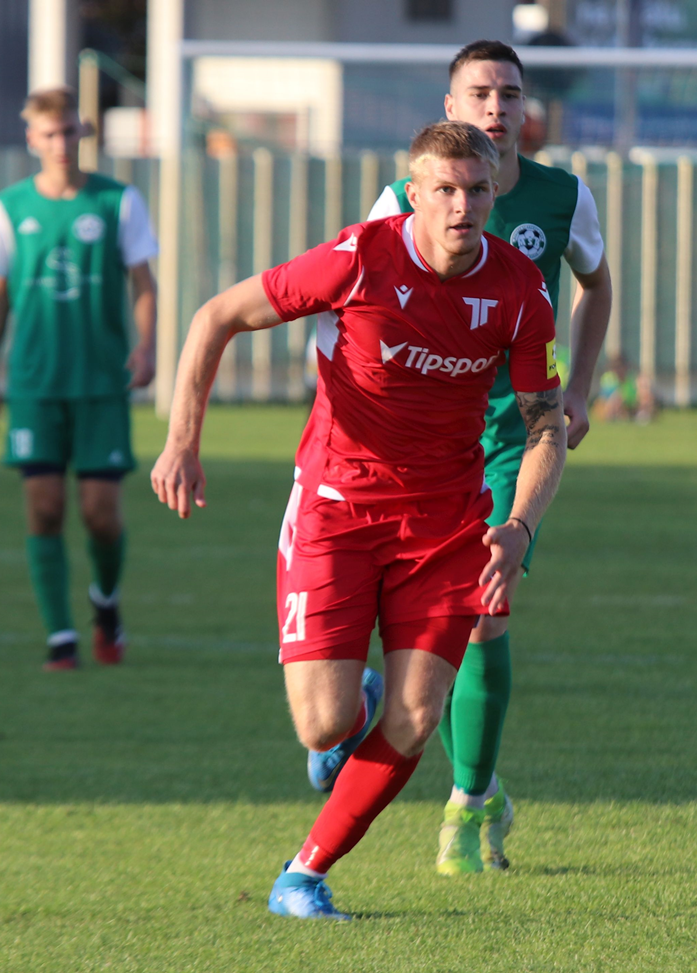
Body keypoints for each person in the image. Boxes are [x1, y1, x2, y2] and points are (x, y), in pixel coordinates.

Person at [150, 120, 567, 920]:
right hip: (336, 509)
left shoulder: (520, 289)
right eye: (445, 190)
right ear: (414, 193)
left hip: (447, 524)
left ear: (494, 193)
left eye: (478, 190)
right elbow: (216, 316)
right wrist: (181, 442)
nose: (462, 206)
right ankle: (355, 706)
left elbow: (545, 423)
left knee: (419, 715)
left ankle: (303, 874)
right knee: (324, 724)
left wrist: (517, 526)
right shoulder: (359, 258)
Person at [366, 38, 611, 875]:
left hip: (515, 439)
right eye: (480, 92)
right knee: (424, 622)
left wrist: (580, 385)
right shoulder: (401, 197)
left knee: (483, 608)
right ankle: (480, 781)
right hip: (426, 440)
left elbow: (597, 283)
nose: (496, 107)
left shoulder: (562, 196)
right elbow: (360, 296)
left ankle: (468, 803)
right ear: (451, 107)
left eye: (509, 92)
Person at [0, 87, 159, 670]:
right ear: (32, 138)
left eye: (70, 131)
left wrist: (147, 345)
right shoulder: (8, 207)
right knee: (45, 509)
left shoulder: (117, 201)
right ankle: (60, 635)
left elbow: (144, 283)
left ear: (84, 133)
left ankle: (106, 601)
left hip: (101, 382)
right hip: (35, 384)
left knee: (101, 514)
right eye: (50, 133)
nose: (61, 143)